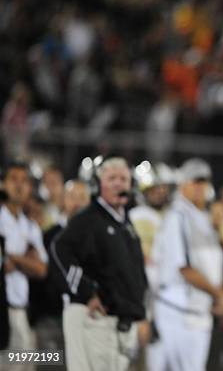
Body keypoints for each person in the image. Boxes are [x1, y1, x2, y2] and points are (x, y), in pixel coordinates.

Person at [51, 157, 147, 371]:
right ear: (98, 184)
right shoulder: (89, 218)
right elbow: (60, 250)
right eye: (111, 178)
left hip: (119, 323)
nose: (118, 184)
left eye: (123, 178)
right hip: (95, 320)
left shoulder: (124, 223)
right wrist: (87, 291)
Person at [147, 158, 223, 371]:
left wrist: (220, 294)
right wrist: (219, 294)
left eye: (203, 181)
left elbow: (211, 268)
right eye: (195, 181)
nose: (200, 187)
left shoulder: (201, 218)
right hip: (176, 310)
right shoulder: (178, 216)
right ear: (183, 184)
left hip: (196, 311)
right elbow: (184, 268)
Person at [29, 179, 91, 364]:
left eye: (82, 197)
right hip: (52, 320)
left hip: (87, 320)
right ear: (63, 201)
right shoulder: (49, 236)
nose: (77, 203)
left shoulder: (98, 238)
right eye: (72, 197)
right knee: (51, 366)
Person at [0, 162, 48, 365]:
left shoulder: (31, 227)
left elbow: (41, 270)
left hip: (24, 311)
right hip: (2, 310)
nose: (19, 186)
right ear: (2, 185)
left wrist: (13, 257)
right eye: (13, 179)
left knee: (26, 365)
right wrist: (26, 257)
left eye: (24, 181)